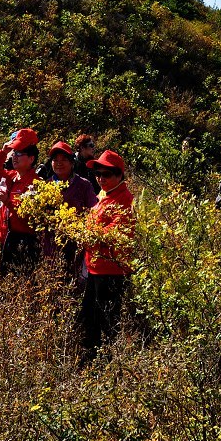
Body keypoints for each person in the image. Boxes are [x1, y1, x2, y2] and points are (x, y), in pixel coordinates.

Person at [80, 149, 135, 361]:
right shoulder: (105, 196)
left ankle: (106, 364)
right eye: (98, 174)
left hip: (111, 272)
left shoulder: (123, 199)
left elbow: (115, 233)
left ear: (119, 175)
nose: (101, 178)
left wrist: (86, 234)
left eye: (107, 174)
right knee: (90, 319)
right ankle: (92, 361)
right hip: (96, 269)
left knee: (106, 322)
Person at [0, 129, 43, 276]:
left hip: (24, 242)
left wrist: (8, 202)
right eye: (13, 153)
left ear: (31, 158)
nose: (14, 157)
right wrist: (3, 152)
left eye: (19, 153)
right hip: (6, 238)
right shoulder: (10, 176)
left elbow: (30, 217)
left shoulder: (36, 183)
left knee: (21, 281)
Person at [43, 141, 98, 279]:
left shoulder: (84, 185)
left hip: (75, 244)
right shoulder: (46, 185)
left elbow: (93, 212)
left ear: (72, 163)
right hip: (51, 245)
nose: (59, 163)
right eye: (55, 160)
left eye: (64, 160)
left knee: (74, 281)